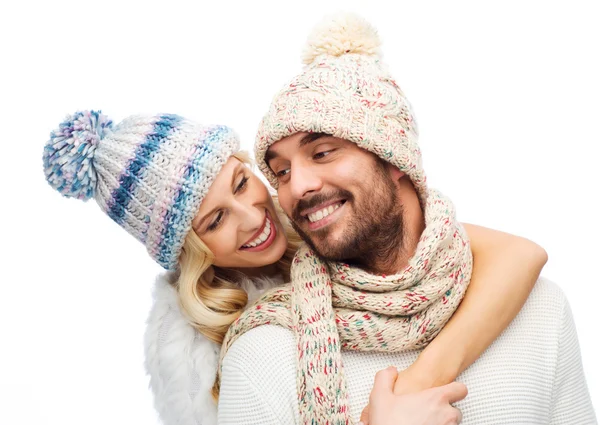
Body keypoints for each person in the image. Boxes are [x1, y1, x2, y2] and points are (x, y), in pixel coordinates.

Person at [42, 111, 543, 425]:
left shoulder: (318, 215)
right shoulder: (202, 355)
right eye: (215, 220)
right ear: (190, 252)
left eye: (241, 184)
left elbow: (518, 255)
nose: (252, 217)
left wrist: (421, 379)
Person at [215, 13, 597, 425]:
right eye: (282, 171)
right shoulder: (263, 352)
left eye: (323, 152)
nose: (296, 187)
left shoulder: (539, 308)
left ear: (393, 158)